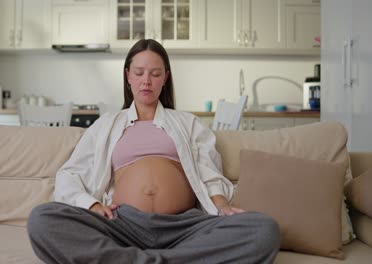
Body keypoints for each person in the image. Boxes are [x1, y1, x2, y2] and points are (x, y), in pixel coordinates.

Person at [27, 39, 280, 264]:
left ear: (165, 78)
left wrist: (222, 204)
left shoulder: (187, 123)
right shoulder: (106, 124)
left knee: (264, 230)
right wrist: (92, 205)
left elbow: (209, 173)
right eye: (139, 73)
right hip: (122, 224)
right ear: (128, 76)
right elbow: (70, 174)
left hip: (184, 226)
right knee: (42, 218)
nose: (146, 81)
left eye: (155, 73)